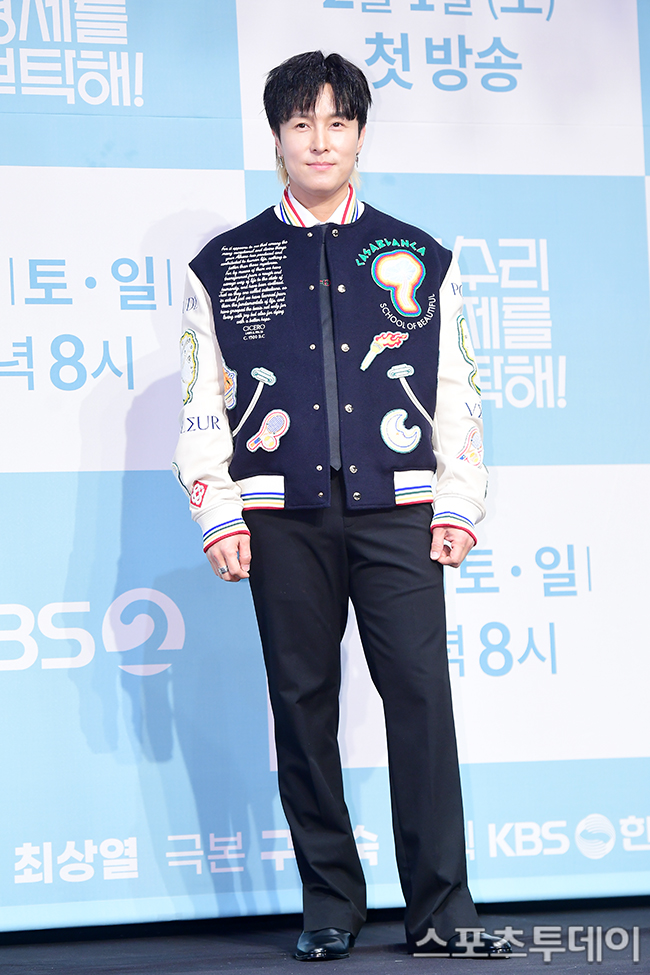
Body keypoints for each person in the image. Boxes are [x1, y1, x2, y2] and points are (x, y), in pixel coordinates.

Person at [173, 50, 511, 961]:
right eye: (302, 124)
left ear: (360, 134)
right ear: (276, 138)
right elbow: (202, 397)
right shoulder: (227, 262)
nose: (320, 141)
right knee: (302, 704)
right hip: (279, 515)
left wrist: (458, 500)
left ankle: (442, 910)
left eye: (338, 122)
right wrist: (218, 510)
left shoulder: (418, 254)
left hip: (400, 511)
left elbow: (456, 386)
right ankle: (330, 901)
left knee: (422, 701)